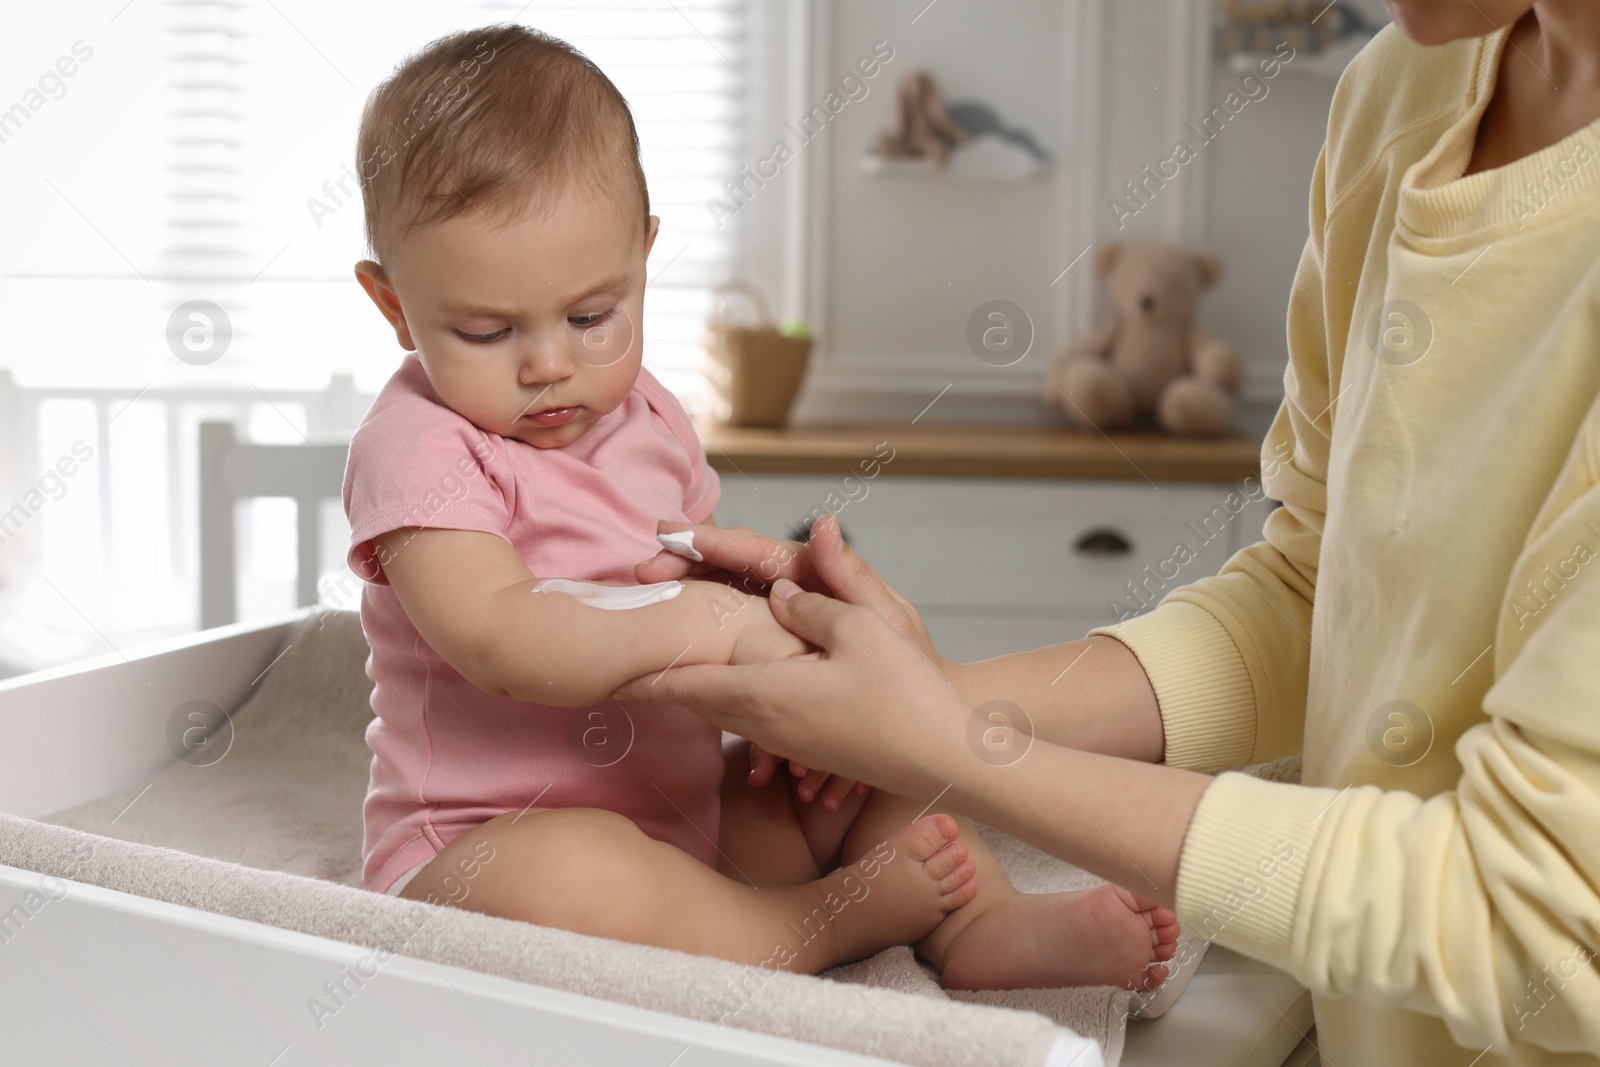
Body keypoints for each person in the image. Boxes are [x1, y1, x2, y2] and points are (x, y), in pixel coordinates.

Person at [622, 2, 1600, 1062]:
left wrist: (949, 745)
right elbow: (1320, 592)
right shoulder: (1399, 91)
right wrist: (920, 699)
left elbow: (1535, 922)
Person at [340, 24, 1178, 989]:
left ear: (644, 258)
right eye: (487, 330)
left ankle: (984, 921)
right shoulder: (417, 444)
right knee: (574, 871)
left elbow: (697, 573)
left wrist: (793, 672)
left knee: (877, 746)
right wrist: (715, 624)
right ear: (395, 305)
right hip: (484, 856)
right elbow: (499, 635)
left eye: (590, 316)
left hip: (694, 829)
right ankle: (815, 925)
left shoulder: (650, 413)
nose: (548, 363)